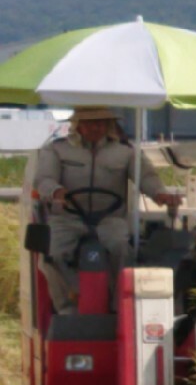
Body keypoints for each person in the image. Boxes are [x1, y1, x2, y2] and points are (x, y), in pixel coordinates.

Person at [33, 106, 179, 313]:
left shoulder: (126, 152)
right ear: (77, 126)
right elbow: (44, 179)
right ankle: (69, 304)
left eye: (101, 123)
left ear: (109, 125)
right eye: (90, 123)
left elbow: (147, 177)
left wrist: (160, 194)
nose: (96, 127)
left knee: (121, 248)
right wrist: (56, 192)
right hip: (68, 219)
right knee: (51, 254)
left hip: (109, 219)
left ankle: (118, 306)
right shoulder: (56, 149)